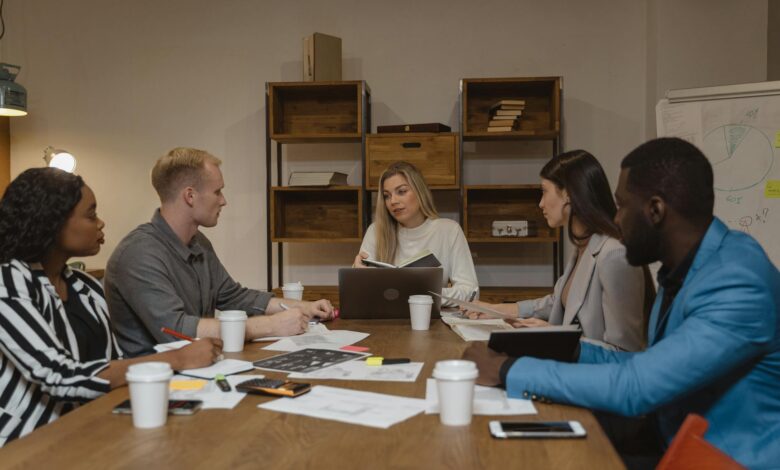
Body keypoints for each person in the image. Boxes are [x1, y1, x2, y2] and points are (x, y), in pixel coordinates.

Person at [463, 137, 780, 469]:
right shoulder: (686, 268)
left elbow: (636, 385)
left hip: (715, 458)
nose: (615, 219)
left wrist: (505, 369)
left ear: (655, 210)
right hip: (665, 433)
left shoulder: (738, 282)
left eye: (622, 206)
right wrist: (562, 348)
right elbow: (644, 364)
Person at [0, 168, 222, 447]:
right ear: (53, 222)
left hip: (91, 428)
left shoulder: (85, 285)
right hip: (26, 442)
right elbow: (60, 377)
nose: (101, 223)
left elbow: (113, 364)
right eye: (91, 215)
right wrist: (178, 359)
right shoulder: (8, 282)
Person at [105, 148, 334, 357]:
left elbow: (234, 297)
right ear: (190, 196)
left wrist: (303, 307)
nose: (223, 201)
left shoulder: (198, 242)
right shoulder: (138, 254)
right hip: (155, 383)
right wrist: (271, 325)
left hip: (201, 369)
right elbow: (175, 329)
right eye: (217, 192)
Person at [467, 150, 653, 351]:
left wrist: (553, 335)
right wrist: (497, 310)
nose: (540, 203)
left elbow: (625, 352)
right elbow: (556, 302)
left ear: (568, 195)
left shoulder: (613, 255)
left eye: (544, 191)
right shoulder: (583, 246)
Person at [352, 161, 478, 305]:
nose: (393, 201)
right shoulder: (376, 231)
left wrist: (421, 295)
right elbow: (361, 293)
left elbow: (471, 292)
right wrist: (357, 276)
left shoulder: (449, 230)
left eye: (401, 191)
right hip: (385, 320)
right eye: (387, 196)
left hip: (430, 319)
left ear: (419, 191)